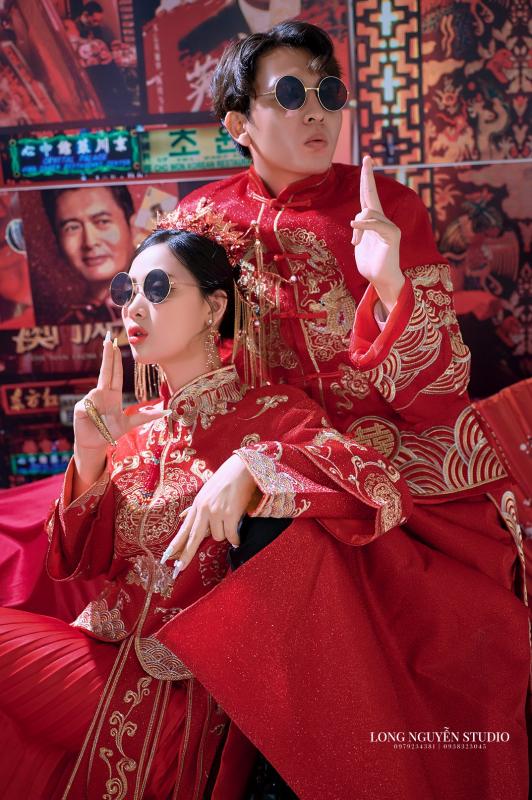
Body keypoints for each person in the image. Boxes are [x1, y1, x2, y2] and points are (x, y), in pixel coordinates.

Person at [150, 20, 530, 799]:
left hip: (393, 468)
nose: (317, 110)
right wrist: (253, 457)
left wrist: (389, 283)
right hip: (243, 451)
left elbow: (438, 394)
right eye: (291, 94)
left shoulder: (385, 204)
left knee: (454, 640)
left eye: (329, 92)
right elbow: (183, 370)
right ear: (238, 123)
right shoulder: (194, 223)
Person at [0, 220, 410, 798]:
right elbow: (76, 562)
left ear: (214, 307)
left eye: (157, 288)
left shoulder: (271, 413)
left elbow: (382, 489)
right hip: (101, 658)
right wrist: (89, 457)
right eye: (126, 290)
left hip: (183, 696)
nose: (134, 306)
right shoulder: (134, 433)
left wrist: (253, 465)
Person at [41, 185, 134, 323]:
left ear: (133, 227)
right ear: (58, 241)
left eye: (102, 221)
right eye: (72, 228)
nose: (90, 242)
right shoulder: (64, 324)